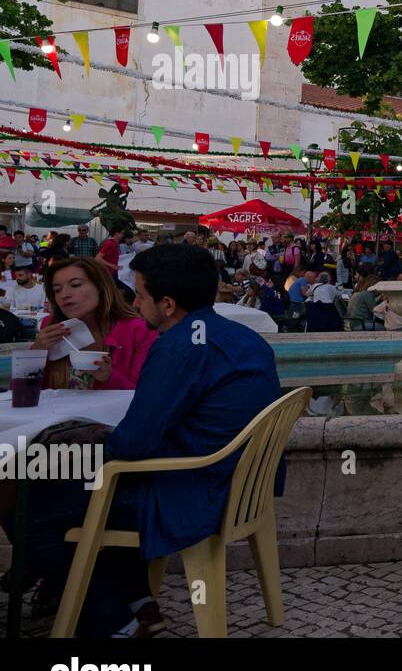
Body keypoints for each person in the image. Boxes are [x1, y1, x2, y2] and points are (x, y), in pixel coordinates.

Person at [3, 243, 282, 636]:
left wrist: (83, 460)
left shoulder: (178, 347)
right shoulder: (243, 337)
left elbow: (133, 445)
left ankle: (112, 621)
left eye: (141, 294)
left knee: (29, 503)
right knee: (68, 486)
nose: (135, 302)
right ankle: (135, 600)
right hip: (234, 485)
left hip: (191, 492)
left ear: (166, 304)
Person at [31, 258, 157, 391]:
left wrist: (108, 377)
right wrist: (35, 354)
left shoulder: (138, 330)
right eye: (57, 290)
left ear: (101, 287)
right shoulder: (52, 327)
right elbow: (21, 392)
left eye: (75, 285)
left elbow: (145, 396)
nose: (64, 295)